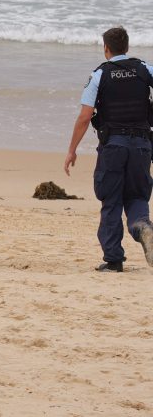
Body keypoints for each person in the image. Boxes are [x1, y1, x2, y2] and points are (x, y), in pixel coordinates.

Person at [63, 26, 153, 272]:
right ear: (127, 46)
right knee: (137, 195)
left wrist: (72, 150)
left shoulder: (100, 75)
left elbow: (84, 117)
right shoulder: (145, 69)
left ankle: (113, 259)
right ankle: (142, 226)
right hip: (142, 145)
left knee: (111, 200)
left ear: (106, 48)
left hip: (113, 146)